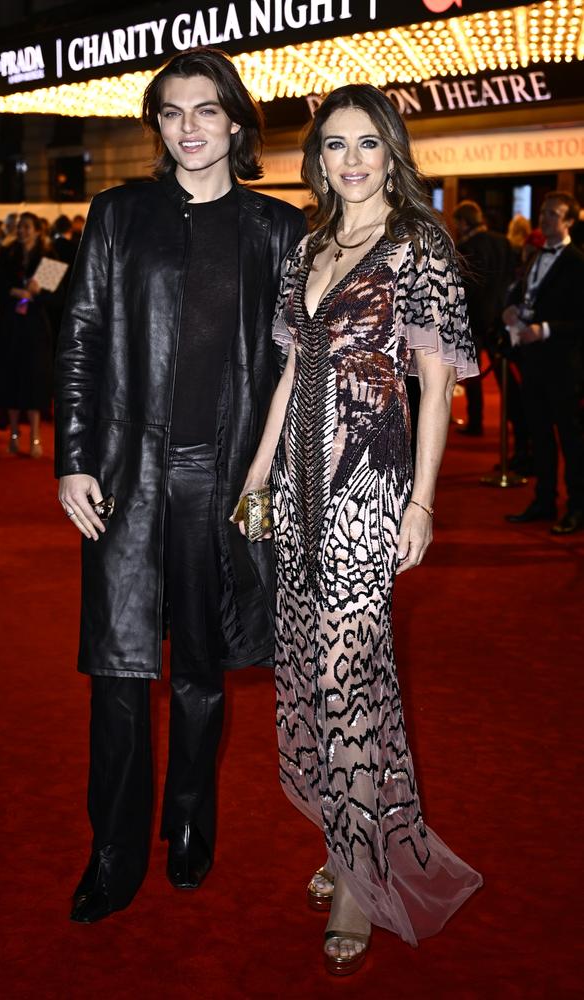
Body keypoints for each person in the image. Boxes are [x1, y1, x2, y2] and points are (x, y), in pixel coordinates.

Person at [54, 47, 306, 925]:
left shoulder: (277, 230)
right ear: (157, 125)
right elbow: (81, 336)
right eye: (171, 112)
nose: (189, 128)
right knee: (119, 675)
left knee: (201, 671)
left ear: (236, 122)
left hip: (220, 482)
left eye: (206, 111)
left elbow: (292, 368)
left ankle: (189, 823)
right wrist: (74, 456)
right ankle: (115, 847)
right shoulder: (118, 214)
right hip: (127, 478)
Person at [235, 84, 482, 975]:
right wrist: (257, 475)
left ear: (392, 153)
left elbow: (436, 387)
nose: (351, 160)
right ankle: (351, 838)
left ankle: (354, 875)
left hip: (365, 491)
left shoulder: (420, 249)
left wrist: (422, 500)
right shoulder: (308, 249)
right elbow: (288, 374)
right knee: (313, 670)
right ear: (318, 160)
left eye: (367, 144)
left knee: (348, 679)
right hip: (296, 494)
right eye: (335, 145)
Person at [504, 192, 584, 534]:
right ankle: (544, 500)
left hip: (564, 365)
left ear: (568, 222)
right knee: (540, 434)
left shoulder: (579, 262)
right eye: (543, 212)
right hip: (533, 362)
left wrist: (546, 329)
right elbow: (528, 298)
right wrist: (512, 311)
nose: (545, 218)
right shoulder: (536, 255)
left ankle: (578, 508)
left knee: (571, 438)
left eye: (553, 214)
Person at [0, 211, 57, 457]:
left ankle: (35, 436)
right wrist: (13, 291)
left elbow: (57, 296)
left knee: (34, 380)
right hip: (9, 326)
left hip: (34, 326)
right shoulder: (6, 254)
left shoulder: (47, 256)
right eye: (18, 227)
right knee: (9, 379)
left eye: (26, 226)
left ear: (37, 229)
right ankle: (14, 434)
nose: (22, 231)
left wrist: (38, 292)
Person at [452, 200, 516, 438]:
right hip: (501, 318)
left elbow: (467, 288)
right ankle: (516, 429)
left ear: (464, 221)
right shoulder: (503, 242)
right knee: (506, 377)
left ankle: (476, 421)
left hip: (474, 319)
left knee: (473, 374)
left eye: (457, 222)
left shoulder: (466, 247)